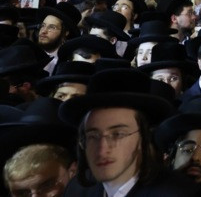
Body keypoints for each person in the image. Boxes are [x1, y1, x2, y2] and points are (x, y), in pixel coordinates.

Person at [58, 68, 190, 196]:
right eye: (93, 136)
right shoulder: (77, 189)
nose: (102, 149)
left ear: (143, 137)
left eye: (118, 134)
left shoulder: (177, 193)